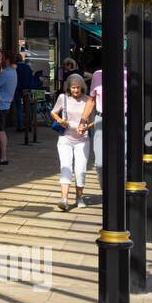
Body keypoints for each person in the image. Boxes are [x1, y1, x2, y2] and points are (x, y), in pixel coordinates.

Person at [50, 74, 94, 210]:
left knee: (80, 169)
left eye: (78, 88)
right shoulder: (62, 98)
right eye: (73, 87)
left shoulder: (88, 100)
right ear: (68, 87)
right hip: (65, 138)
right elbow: (53, 112)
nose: (76, 90)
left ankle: (79, 197)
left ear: (82, 87)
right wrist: (60, 120)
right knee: (66, 167)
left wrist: (86, 126)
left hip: (82, 139)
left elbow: (93, 120)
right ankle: (64, 199)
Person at [14, 51, 34, 131]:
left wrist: (20, 88)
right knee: (28, 108)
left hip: (18, 89)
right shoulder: (27, 67)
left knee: (19, 108)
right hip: (26, 89)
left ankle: (20, 126)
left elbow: (15, 80)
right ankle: (29, 125)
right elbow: (31, 79)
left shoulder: (15, 68)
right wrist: (28, 88)